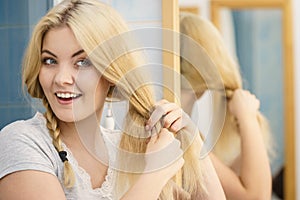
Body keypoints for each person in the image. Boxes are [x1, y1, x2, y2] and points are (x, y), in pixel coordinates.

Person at [0, 1, 226, 199]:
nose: (61, 78)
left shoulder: (126, 150)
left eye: (82, 62)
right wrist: (154, 173)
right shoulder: (22, 142)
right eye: (50, 61)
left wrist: (190, 135)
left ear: (111, 72)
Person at [178, 13, 274, 199]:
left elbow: (224, 184)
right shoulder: (181, 134)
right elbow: (255, 196)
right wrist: (247, 119)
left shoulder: (186, 129)